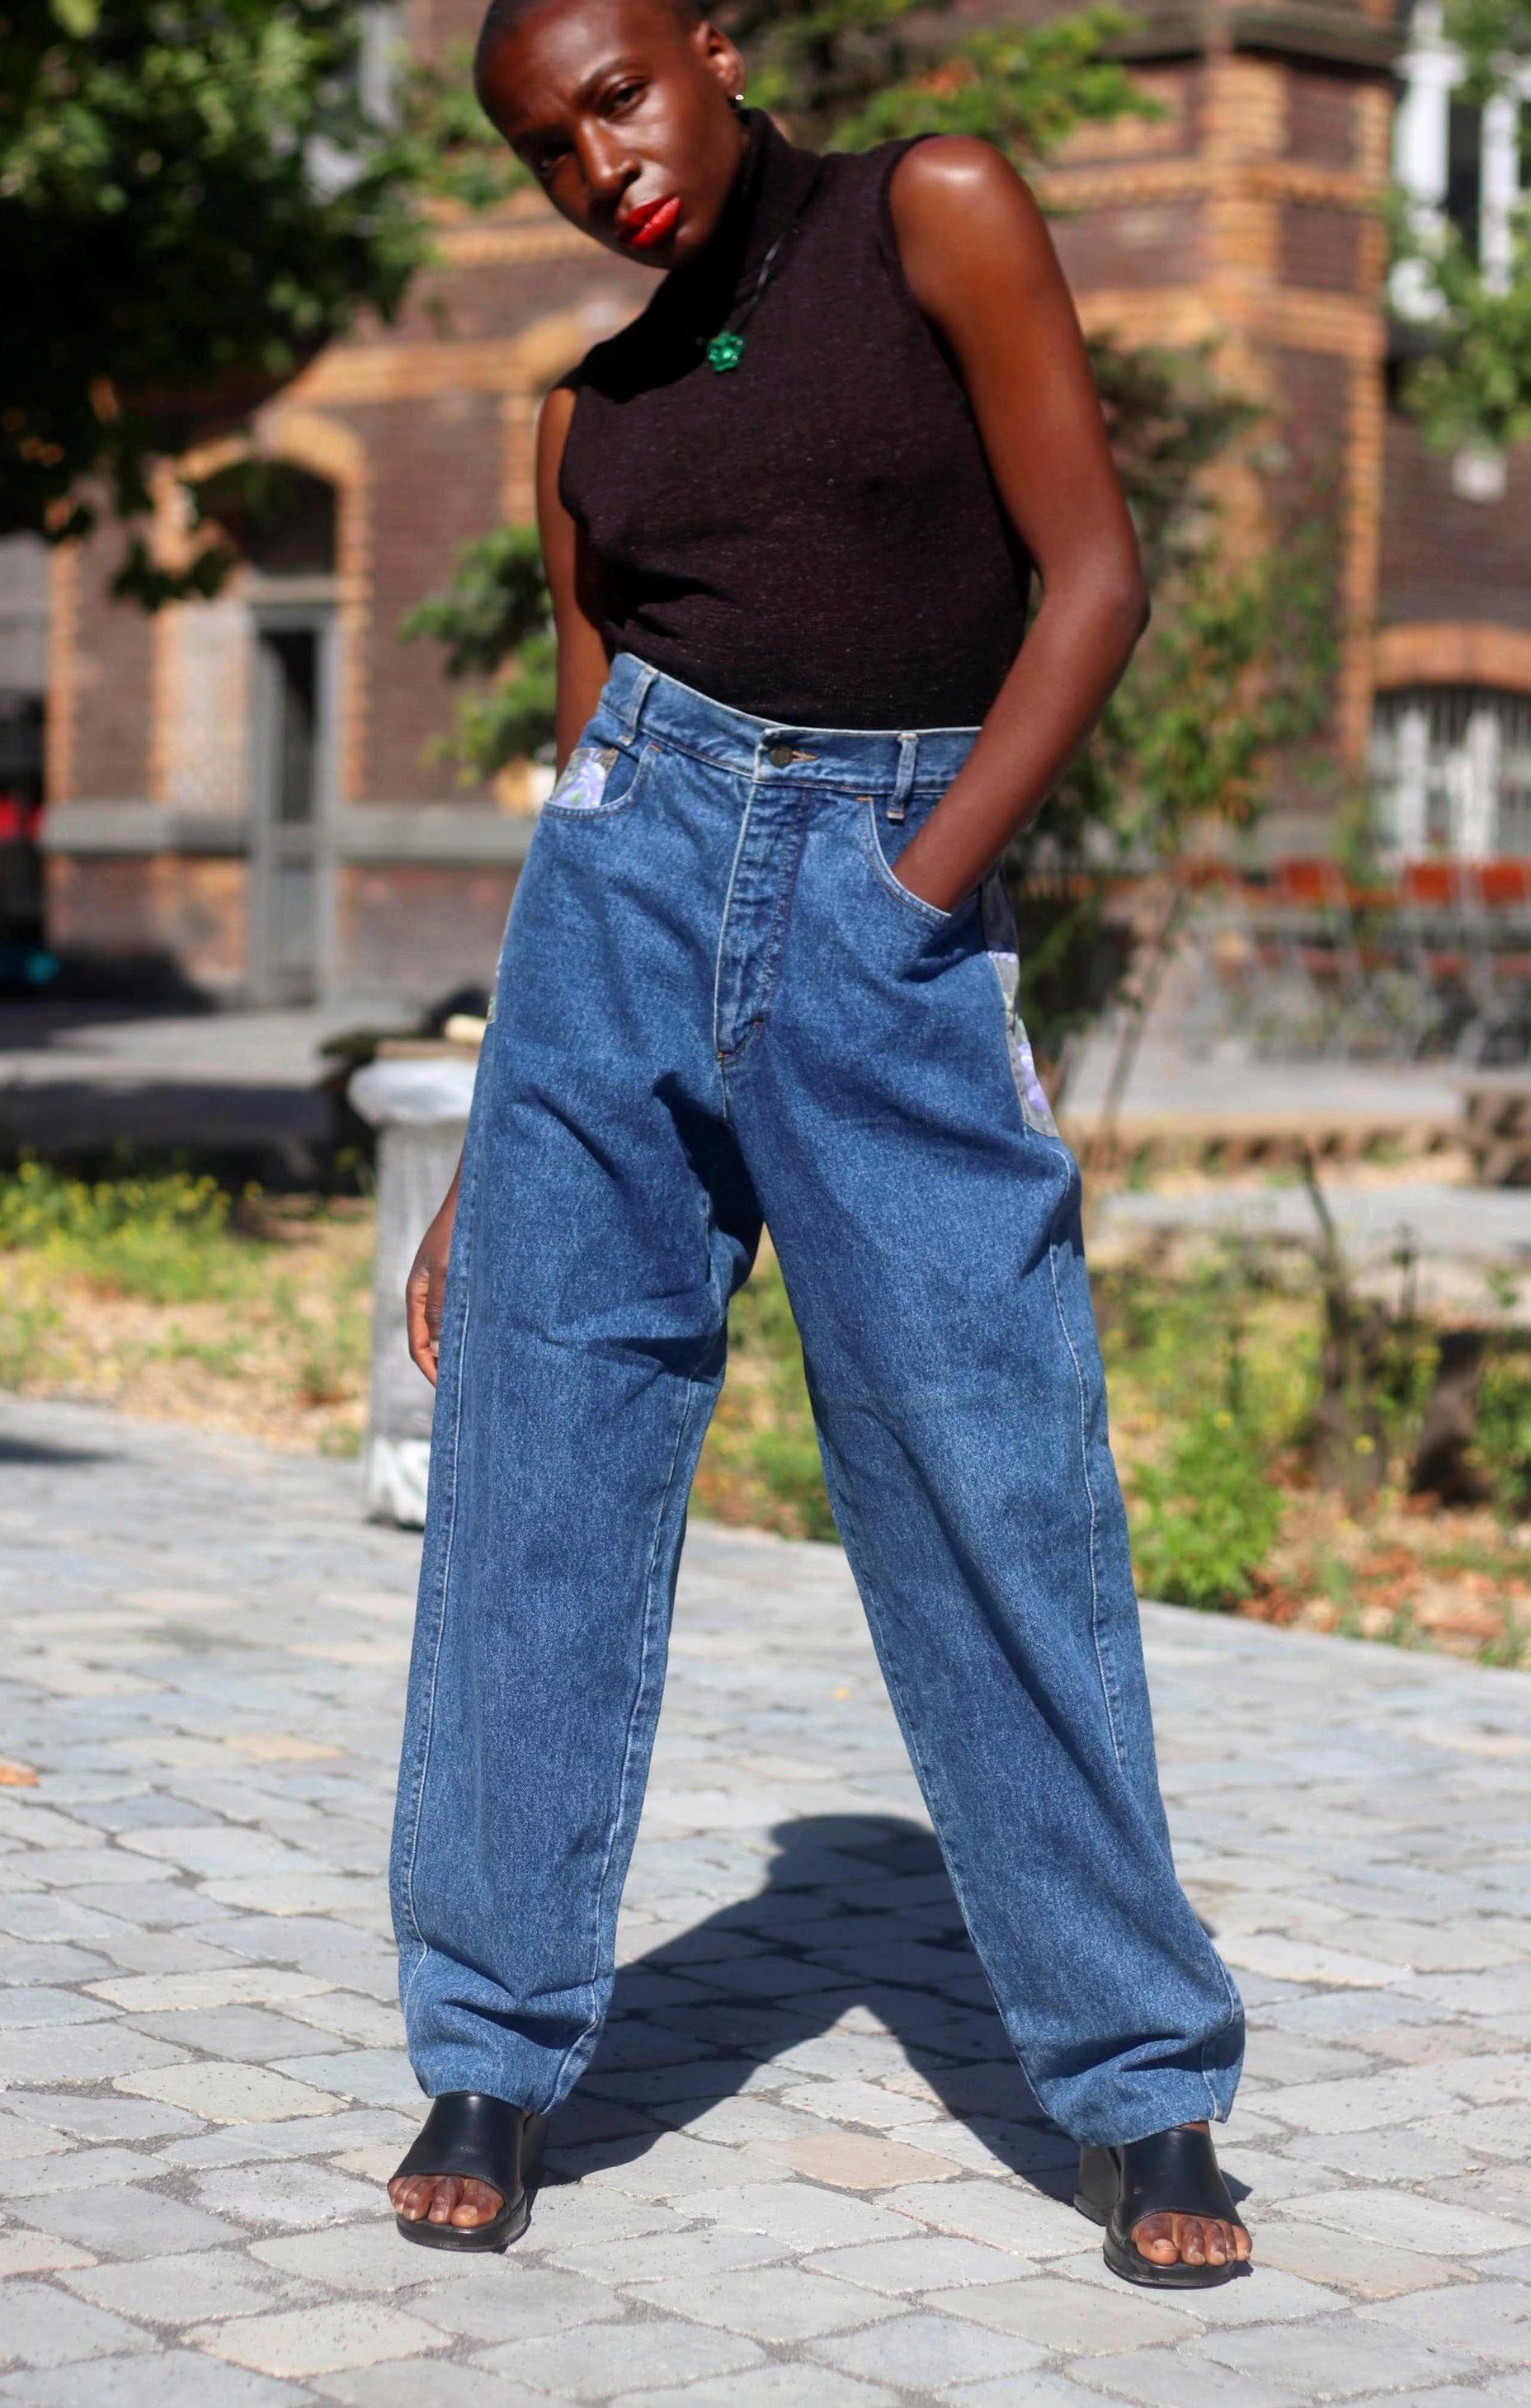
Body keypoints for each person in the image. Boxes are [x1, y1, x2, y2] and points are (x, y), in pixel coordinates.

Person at [387, 0, 1251, 2288]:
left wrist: (914, 892)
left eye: (616, 98)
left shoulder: (932, 211)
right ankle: (485, 2048)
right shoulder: (588, 411)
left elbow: (1091, 579)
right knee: (533, 1475)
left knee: (995, 1471)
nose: (599, 164)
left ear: (712, 45)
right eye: (547, 152)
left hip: (885, 889)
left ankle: (1140, 2089)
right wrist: (496, 1142)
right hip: (622, 905)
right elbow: (581, 771)